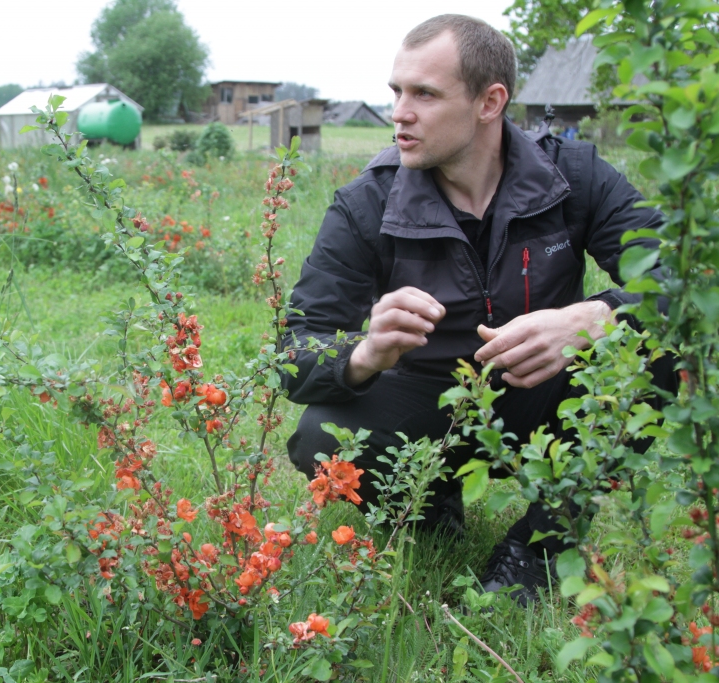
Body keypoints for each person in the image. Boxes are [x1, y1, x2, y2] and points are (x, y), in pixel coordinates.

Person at [281, 14, 670, 605]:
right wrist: (364, 353)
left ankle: (539, 547)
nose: (399, 113)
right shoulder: (368, 202)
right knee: (320, 436)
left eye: (425, 94)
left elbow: (686, 276)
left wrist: (595, 317)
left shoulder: (573, 175)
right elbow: (294, 352)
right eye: (396, 92)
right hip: (427, 403)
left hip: (540, 393)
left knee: (660, 352)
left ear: (490, 102)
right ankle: (428, 505)